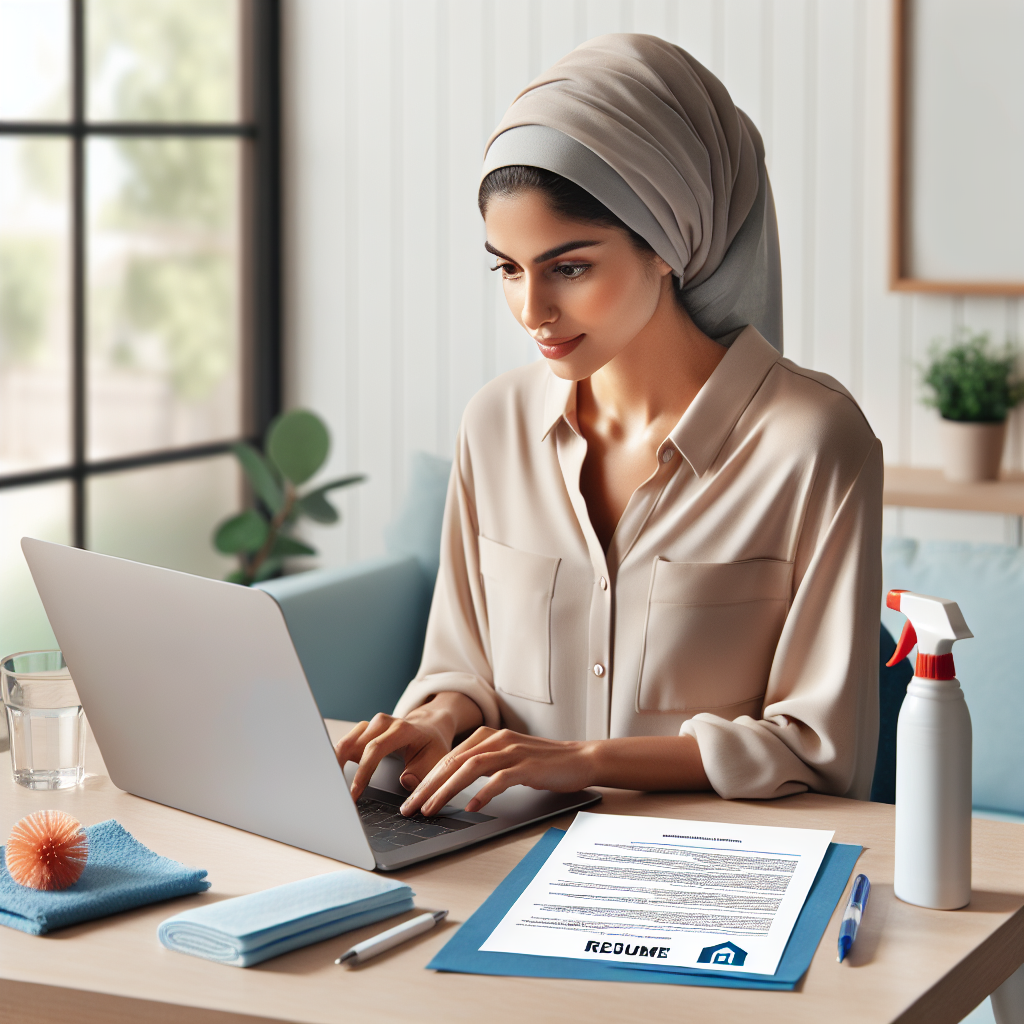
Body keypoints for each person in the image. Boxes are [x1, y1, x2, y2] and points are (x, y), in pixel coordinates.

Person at [334, 34, 882, 817]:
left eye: (570, 266)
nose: (532, 311)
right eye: (508, 268)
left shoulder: (814, 442)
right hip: (492, 857)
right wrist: (435, 719)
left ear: (669, 244)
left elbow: (815, 747)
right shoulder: (495, 424)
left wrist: (583, 761)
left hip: (707, 875)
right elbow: (461, 668)